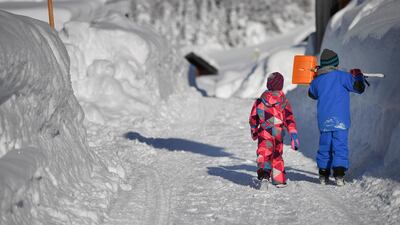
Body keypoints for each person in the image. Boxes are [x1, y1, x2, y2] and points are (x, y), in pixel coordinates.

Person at [308, 49, 365, 186]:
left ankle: (323, 174)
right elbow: (359, 88)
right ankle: (339, 175)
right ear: (336, 63)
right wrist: (358, 76)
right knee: (340, 146)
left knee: (325, 146)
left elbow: (311, 94)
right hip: (341, 121)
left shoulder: (317, 81)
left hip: (324, 121)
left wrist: (316, 78)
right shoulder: (343, 76)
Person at [249, 72, 299, 188]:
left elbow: (253, 118)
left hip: (264, 131)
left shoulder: (260, 101)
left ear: (268, 84)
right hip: (278, 133)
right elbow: (289, 118)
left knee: (264, 153)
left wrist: (254, 131)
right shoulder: (283, 101)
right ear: (280, 85)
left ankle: (264, 175)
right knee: (277, 155)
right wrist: (293, 133)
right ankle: (279, 179)